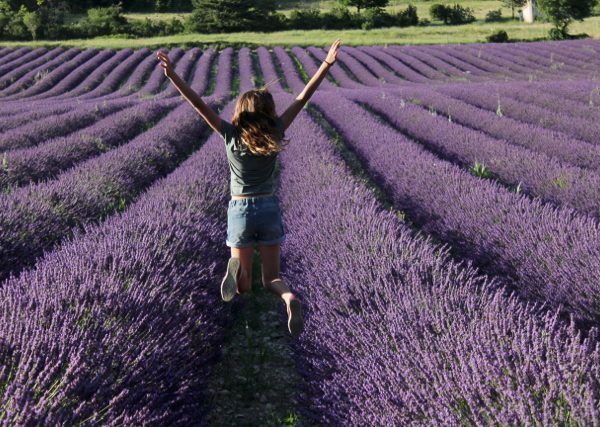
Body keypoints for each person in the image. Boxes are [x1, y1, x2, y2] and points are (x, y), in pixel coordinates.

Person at [156, 39, 340, 337]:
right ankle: (289, 298)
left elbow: (198, 104)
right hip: (267, 207)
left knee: (243, 286)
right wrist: (326, 65)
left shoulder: (230, 134)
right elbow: (303, 97)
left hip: (239, 208)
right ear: (267, 112)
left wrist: (173, 75)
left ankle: (235, 268)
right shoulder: (276, 131)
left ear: (241, 110)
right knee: (272, 278)